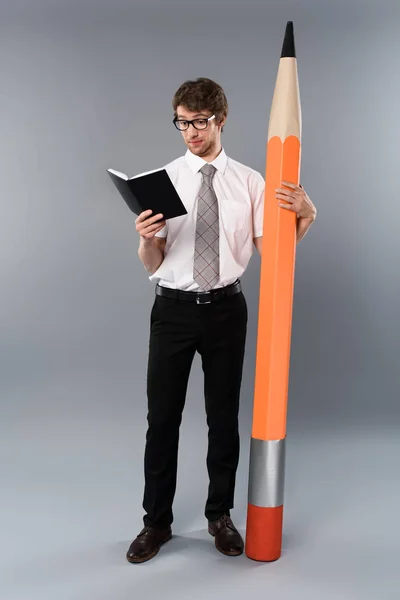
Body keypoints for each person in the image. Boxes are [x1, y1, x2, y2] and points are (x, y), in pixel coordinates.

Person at [126, 78, 317, 564]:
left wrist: (307, 218)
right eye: (182, 122)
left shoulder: (252, 182)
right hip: (172, 310)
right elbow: (153, 261)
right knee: (162, 420)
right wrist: (147, 236)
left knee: (222, 418)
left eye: (199, 122)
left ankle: (220, 516)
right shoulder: (163, 179)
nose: (190, 132)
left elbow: (273, 256)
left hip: (227, 310)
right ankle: (156, 524)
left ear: (221, 119)